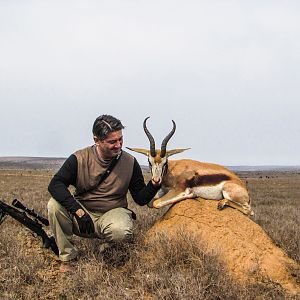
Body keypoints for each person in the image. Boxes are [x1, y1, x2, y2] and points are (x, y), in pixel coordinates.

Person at [47, 114, 160, 265]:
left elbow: (140, 198)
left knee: (121, 230)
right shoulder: (79, 158)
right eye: (112, 142)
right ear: (97, 140)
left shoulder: (130, 162)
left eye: (121, 139)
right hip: (82, 216)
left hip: (112, 214)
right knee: (54, 206)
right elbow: (55, 184)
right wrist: (78, 211)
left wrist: (154, 184)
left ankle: (110, 246)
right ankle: (68, 257)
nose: (119, 145)